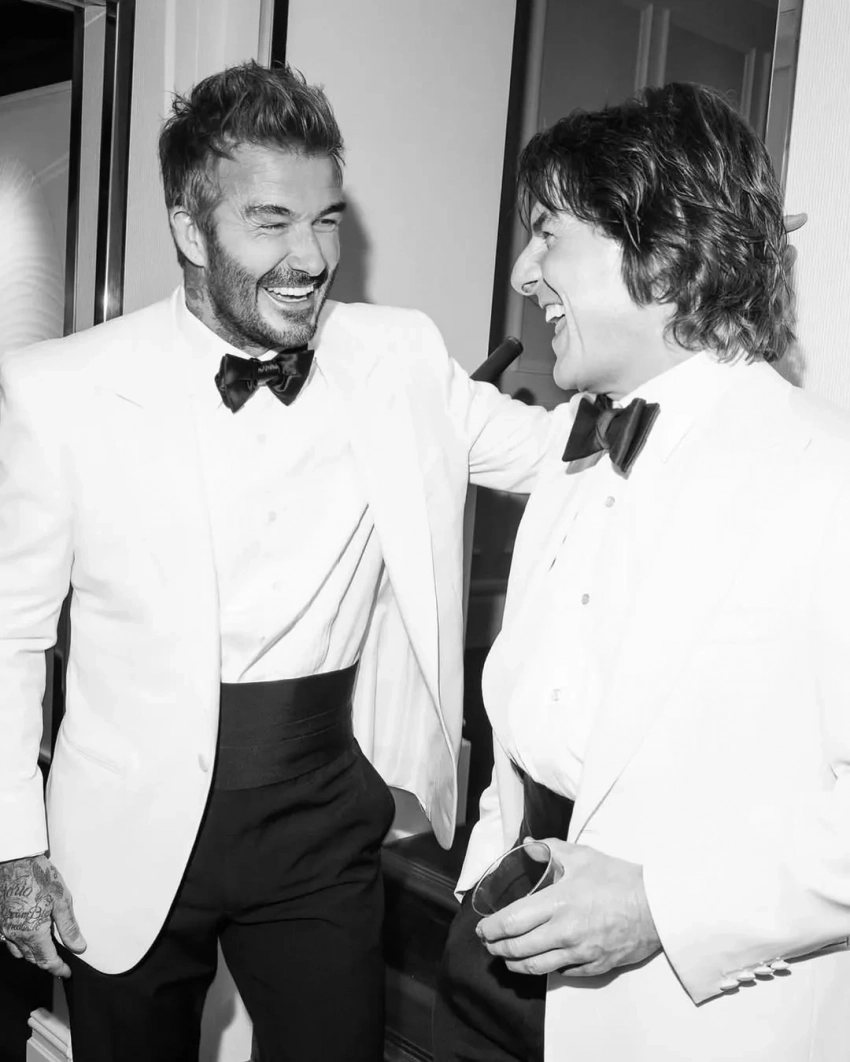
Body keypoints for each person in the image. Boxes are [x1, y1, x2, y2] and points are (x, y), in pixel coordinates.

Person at [0, 62, 563, 1062]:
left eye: (327, 220)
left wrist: (686, 336)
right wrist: (12, 846)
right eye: (271, 223)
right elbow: (9, 634)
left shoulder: (397, 357)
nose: (312, 257)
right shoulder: (57, 392)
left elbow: (557, 456)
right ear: (189, 230)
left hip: (323, 814)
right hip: (125, 826)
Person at [433, 81, 850, 1062]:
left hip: (687, 1018)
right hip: (494, 970)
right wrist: (481, 880)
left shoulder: (825, 477)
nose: (524, 272)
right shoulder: (575, 452)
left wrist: (663, 907)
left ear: (662, 253)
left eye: (549, 235)